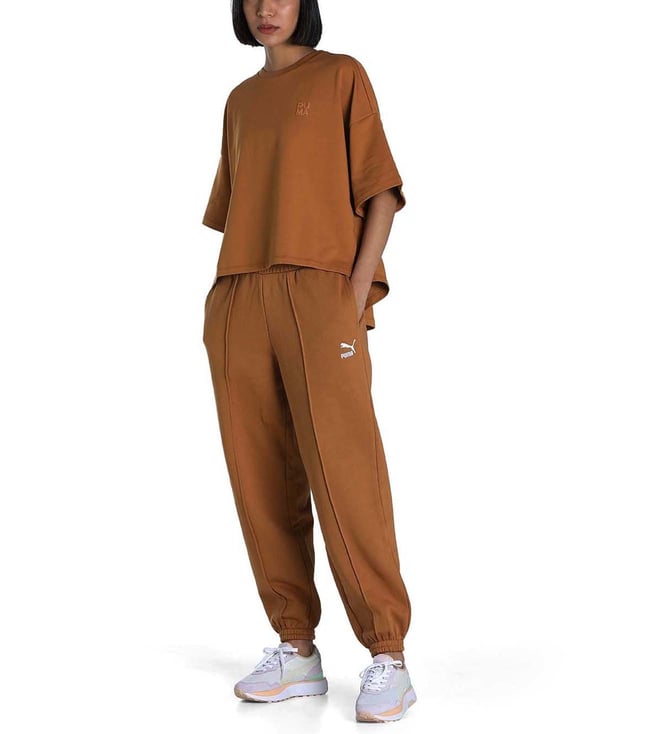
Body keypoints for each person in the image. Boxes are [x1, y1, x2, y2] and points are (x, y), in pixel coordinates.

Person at [201, 0, 416, 723]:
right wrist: (227, 302)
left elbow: (380, 192)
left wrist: (351, 295)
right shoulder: (240, 101)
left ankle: (388, 651)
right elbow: (237, 209)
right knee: (258, 472)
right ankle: (295, 646)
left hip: (321, 289)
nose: (267, 8)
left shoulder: (341, 76)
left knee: (343, 466)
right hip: (240, 293)